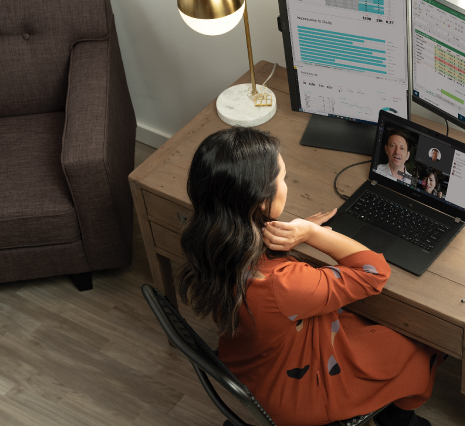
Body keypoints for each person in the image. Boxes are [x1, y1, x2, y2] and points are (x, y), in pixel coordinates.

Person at [176, 127, 441, 426]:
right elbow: (374, 273)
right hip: (294, 392)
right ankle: (399, 420)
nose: (285, 185)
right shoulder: (281, 284)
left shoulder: (208, 239)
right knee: (420, 346)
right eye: (283, 178)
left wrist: (292, 231)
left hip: (250, 361)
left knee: (368, 327)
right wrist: (313, 234)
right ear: (260, 202)